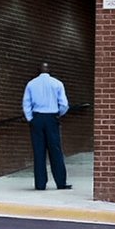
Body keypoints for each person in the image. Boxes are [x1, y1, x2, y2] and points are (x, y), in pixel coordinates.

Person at [23, 60, 70, 190]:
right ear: (49, 70)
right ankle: (61, 182)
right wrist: (58, 114)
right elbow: (64, 104)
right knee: (55, 150)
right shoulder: (57, 84)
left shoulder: (31, 84)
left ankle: (40, 184)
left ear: (39, 70)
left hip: (37, 117)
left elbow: (26, 104)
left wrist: (30, 119)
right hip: (51, 118)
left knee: (39, 152)